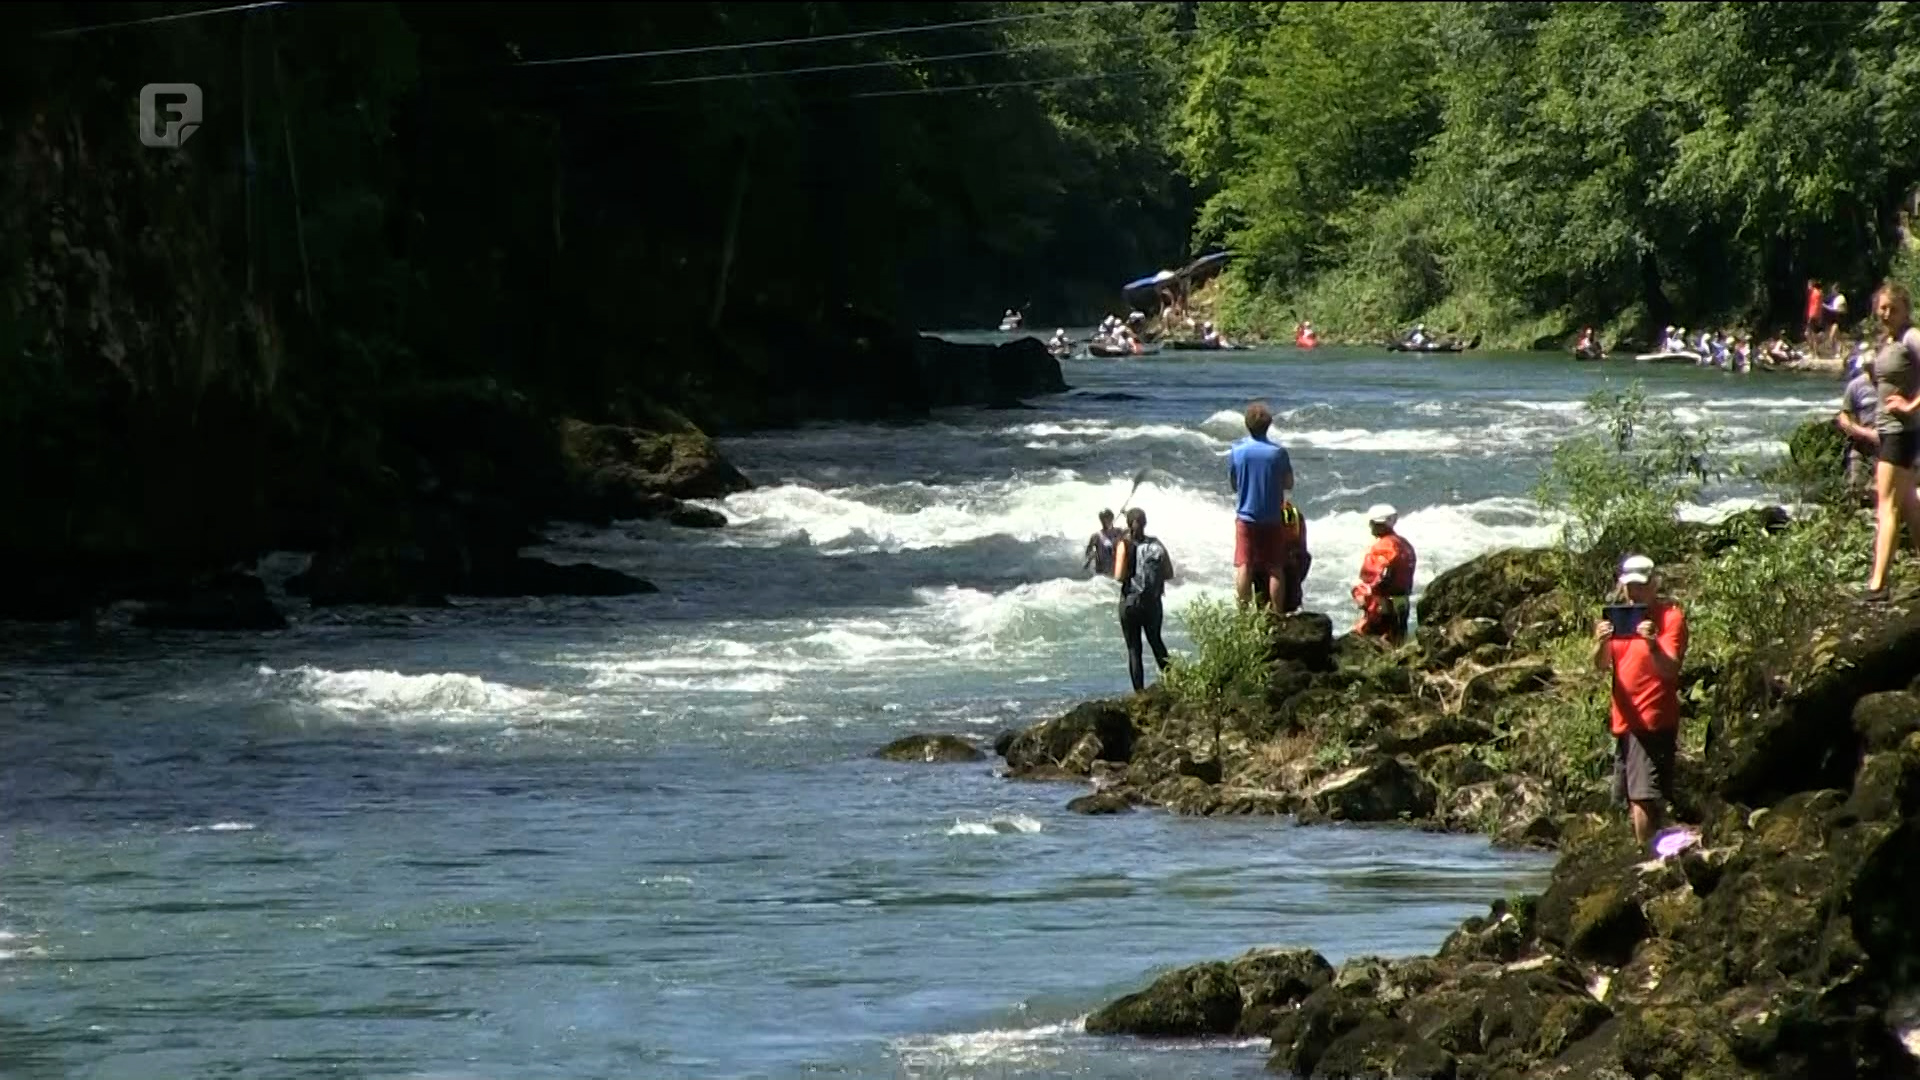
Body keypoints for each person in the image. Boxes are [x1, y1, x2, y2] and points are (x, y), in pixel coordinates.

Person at [1592, 554, 1688, 848]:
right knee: (1631, 795)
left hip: (1651, 718)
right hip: (1624, 719)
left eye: (1641, 586)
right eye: (1630, 587)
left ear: (1654, 584)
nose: (1635, 593)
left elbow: (1670, 668)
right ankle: (1655, 849)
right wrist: (1601, 643)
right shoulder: (1619, 618)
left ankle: (1645, 859)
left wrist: (1652, 644)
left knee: (1642, 796)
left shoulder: (1670, 618)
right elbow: (1601, 665)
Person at [1865, 282, 1920, 601]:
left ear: (1905, 310)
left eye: (1892, 308)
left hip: (1902, 431)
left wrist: (1911, 406)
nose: (1886, 314)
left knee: (1886, 505)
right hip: (1889, 429)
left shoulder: (1912, 336)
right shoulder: (1889, 340)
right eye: (1882, 308)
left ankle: (1878, 585)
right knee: (1910, 505)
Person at [1228, 401, 1296, 612]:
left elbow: (1233, 484)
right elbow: (1288, 483)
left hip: (1246, 516)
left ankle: (1242, 613)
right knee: (1275, 567)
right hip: (1272, 518)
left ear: (1247, 425)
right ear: (1269, 425)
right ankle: (1277, 613)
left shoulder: (1237, 451)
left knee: (1244, 565)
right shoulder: (1278, 453)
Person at [1112, 508, 1174, 692]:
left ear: (1128, 524)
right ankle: (1175, 681)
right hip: (1152, 604)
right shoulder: (1157, 545)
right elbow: (1169, 573)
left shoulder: (1125, 544)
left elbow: (1119, 575)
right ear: (1145, 523)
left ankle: (1139, 693)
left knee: (1134, 649)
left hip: (1130, 604)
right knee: (1156, 641)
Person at [1351, 504, 1416, 642]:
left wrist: (1359, 593)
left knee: (1366, 641)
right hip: (1402, 604)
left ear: (1376, 524)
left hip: (1382, 607)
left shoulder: (1382, 548)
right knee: (1398, 642)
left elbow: (1374, 579)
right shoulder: (1404, 544)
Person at [1837, 358, 1880, 492]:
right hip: (1863, 444)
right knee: (1856, 488)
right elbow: (1844, 417)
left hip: (1891, 445)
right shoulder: (1855, 385)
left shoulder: (1894, 383)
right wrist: (1865, 433)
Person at [1082, 509, 1123, 576]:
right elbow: (1086, 561)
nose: (1105, 521)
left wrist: (1125, 513)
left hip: (1116, 572)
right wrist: (1090, 558)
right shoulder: (1096, 536)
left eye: (1107, 518)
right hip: (1101, 574)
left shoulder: (1119, 532)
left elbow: (1132, 528)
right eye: (1103, 518)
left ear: (1112, 518)